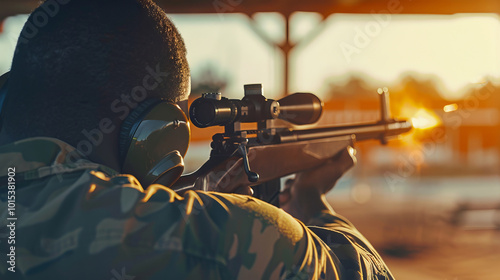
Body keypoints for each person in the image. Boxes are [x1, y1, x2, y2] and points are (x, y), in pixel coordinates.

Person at [0, 0, 394, 279]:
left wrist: (206, 188)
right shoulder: (216, 235)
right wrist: (311, 201)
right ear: (155, 134)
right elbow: (366, 273)